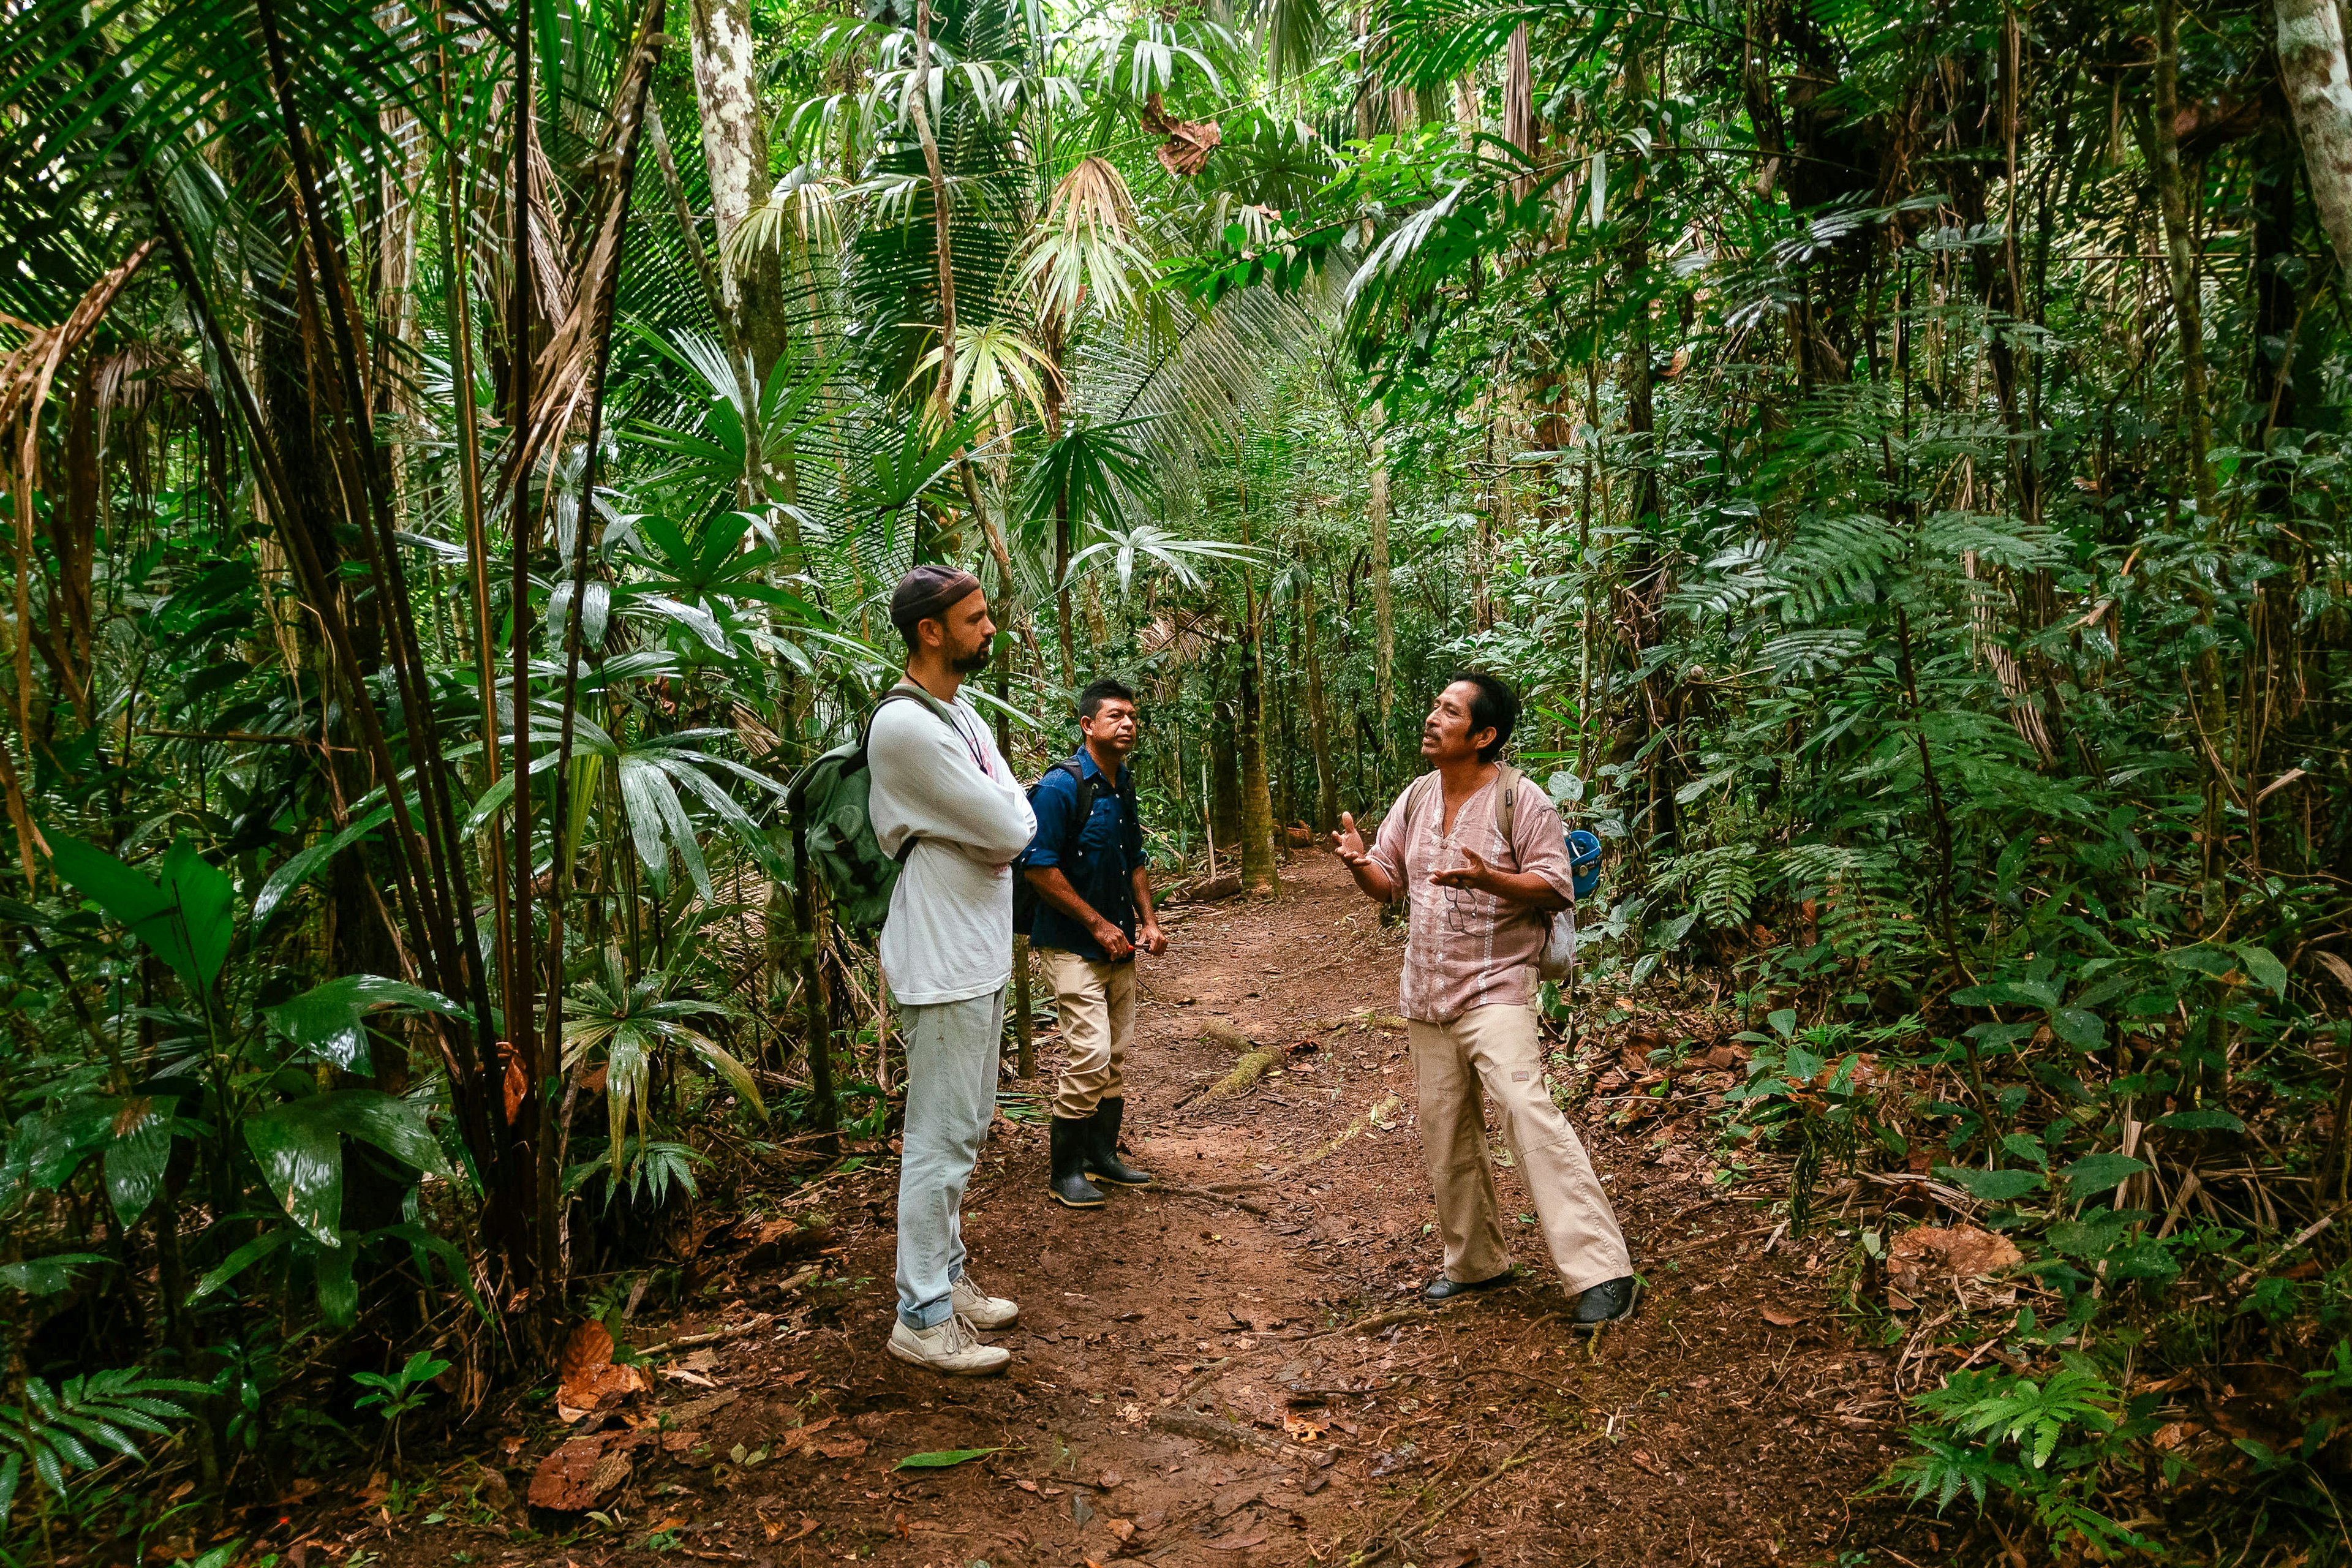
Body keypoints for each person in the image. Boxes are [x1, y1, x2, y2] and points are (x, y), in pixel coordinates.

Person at [1332, 673, 1639, 1333]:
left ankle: (1603, 1272)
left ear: (1484, 734)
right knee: (1447, 1131)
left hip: (1497, 987)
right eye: (1435, 704)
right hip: (1428, 993)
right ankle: (1476, 1262)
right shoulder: (1415, 797)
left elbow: (1556, 887)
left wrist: (1487, 875)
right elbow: (1388, 886)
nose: (1434, 717)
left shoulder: (1520, 801)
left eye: (1450, 710)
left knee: (1528, 1112)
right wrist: (1359, 861)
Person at [867, 565, 1036, 1376]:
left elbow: (1009, 815)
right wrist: (1002, 819)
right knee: (937, 1139)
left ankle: (948, 1278)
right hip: (941, 957)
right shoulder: (905, 728)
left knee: (966, 1130)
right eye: (974, 619)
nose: (989, 629)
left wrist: (1003, 818)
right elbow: (1009, 825)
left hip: (977, 950)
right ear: (929, 630)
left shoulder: (960, 712)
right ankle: (921, 1316)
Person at [1019, 679, 1168, 1209]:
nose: (1128, 723)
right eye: (1115, 716)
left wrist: (1147, 922)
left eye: (1132, 715)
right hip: (1070, 946)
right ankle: (1065, 1171)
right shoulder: (1061, 787)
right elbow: (1038, 867)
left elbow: (1134, 858)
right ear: (1088, 725)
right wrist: (1097, 925)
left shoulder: (1121, 782)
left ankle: (1101, 1156)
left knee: (1116, 1054)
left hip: (1120, 947)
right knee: (1089, 1054)